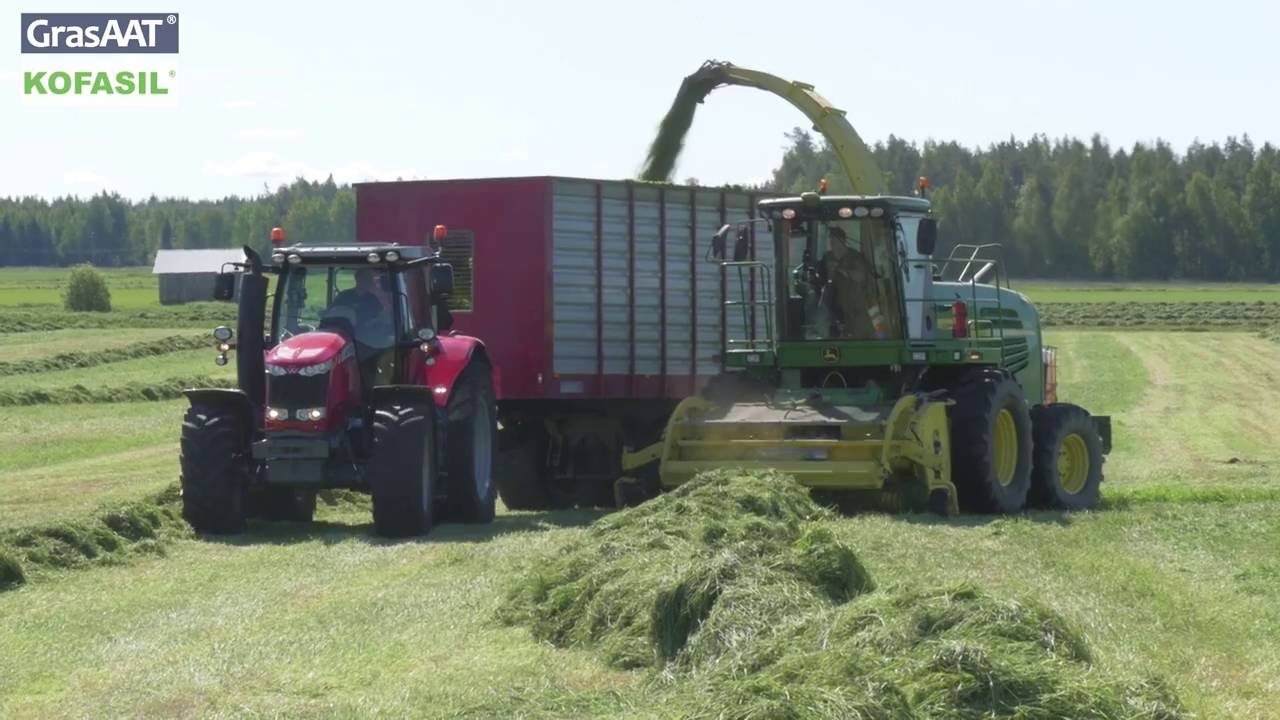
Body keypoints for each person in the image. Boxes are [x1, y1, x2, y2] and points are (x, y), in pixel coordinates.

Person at [818, 225, 886, 339]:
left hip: (864, 310)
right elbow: (824, 279)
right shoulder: (828, 258)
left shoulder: (855, 257)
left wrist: (842, 270)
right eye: (831, 243)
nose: (833, 246)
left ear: (844, 241)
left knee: (872, 337)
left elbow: (861, 276)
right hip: (843, 312)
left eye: (835, 242)